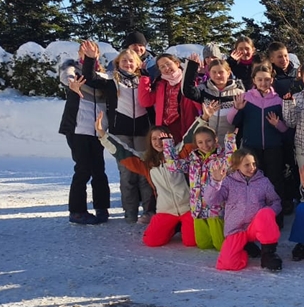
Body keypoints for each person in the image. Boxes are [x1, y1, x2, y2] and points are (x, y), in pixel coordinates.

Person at [81, 41, 152, 224]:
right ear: (118, 63)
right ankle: (130, 213)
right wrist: (90, 59)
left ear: (138, 64)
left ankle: (149, 211)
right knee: (127, 174)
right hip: (120, 132)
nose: (128, 64)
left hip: (143, 132)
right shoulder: (111, 81)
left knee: (145, 174)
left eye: (131, 61)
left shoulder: (145, 80)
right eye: (124, 61)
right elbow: (90, 78)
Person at [97, 118, 194, 247]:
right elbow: (123, 152)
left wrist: (204, 118)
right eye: (154, 139)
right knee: (151, 241)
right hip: (166, 210)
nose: (158, 142)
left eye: (161, 138)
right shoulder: (146, 162)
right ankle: (173, 227)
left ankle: (182, 226)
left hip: (188, 208)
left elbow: (189, 138)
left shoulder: (178, 154)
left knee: (191, 241)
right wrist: (103, 135)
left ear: (169, 138)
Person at [162, 111, 236, 250]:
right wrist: (167, 144)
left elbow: (232, 161)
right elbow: (172, 166)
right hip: (197, 207)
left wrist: (230, 140)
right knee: (203, 244)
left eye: (208, 141)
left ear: (215, 140)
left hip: (215, 208)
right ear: (196, 143)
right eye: (200, 142)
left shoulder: (221, 159)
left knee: (221, 245)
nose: (205, 145)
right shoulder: (193, 159)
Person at [206, 150, 283, 272]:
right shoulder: (228, 182)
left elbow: (275, 202)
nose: (252, 168)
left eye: (253, 164)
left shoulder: (263, 182)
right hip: (236, 229)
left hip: (255, 227)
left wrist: (269, 214)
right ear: (236, 166)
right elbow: (211, 200)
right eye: (247, 165)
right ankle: (244, 248)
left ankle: (268, 254)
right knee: (227, 263)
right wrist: (216, 182)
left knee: (266, 212)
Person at [59, 42, 110, 224]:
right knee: (83, 169)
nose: (88, 53)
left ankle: (102, 207)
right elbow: (67, 77)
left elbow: (105, 88)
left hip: (97, 129)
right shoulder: (72, 68)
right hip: (77, 128)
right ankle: (77, 211)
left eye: (93, 51)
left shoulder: (104, 74)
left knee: (99, 170)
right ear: (79, 53)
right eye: (84, 51)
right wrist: (72, 84)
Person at [230, 64, 290, 215]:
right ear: (254, 80)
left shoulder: (278, 100)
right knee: (254, 180)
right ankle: (255, 214)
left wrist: (277, 124)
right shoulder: (246, 98)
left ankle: (276, 215)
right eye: (260, 79)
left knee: (275, 180)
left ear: (272, 80)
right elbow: (232, 121)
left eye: (267, 79)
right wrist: (237, 108)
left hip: (273, 148)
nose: (264, 83)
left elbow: (285, 128)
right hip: (252, 148)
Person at [138, 53, 200, 144]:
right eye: (162, 67)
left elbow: (199, 104)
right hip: (165, 129)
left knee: (184, 152)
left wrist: (191, 74)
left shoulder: (189, 82)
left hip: (185, 126)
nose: (166, 68)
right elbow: (145, 102)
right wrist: (144, 77)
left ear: (177, 63)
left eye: (168, 64)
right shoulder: (160, 84)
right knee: (168, 152)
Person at [181, 55, 245, 143]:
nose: (217, 75)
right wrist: (192, 67)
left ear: (228, 73)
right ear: (209, 73)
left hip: (230, 142)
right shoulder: (204, 89)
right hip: (209, 143)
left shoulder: (239, 93)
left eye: (221, 72)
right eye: (214, 72)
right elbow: (187, 91)